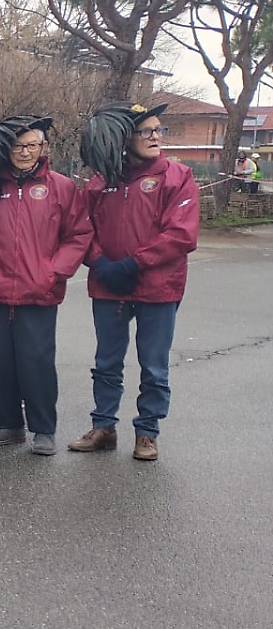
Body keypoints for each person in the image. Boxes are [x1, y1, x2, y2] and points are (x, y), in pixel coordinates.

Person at [69, 101, 198, 461]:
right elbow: (82, 229)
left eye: (159, 129)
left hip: (159, 288)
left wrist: (133, 263)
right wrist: (99, 262)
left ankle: (147, 432)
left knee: (154, 366)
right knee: (106, 363)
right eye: (147, 131)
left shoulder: (178, 176)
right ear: (126, 138)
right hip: (109, 286)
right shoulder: (100, 183)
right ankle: (103, 426)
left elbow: (181, 234)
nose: (156, 136)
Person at [0, 115, 92, 456]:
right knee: (2, 360)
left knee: (37, 362)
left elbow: (78, 235)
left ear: (43, 147)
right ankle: (9, 424)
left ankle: (43, 429)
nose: (25, 152)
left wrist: (55, 271)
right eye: (18, 146)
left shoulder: (61, 187)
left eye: (32, 145)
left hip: (39, 291)